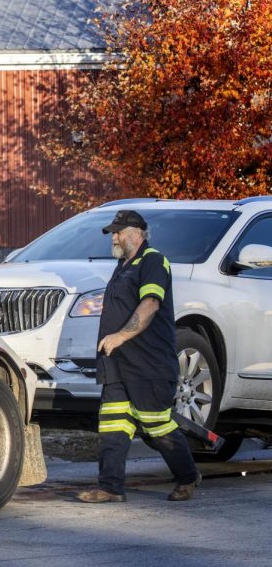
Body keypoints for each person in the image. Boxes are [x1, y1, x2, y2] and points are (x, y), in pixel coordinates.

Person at [77, 210, 201, 503]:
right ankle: (110, 487)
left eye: (119, 232)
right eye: (113, 233)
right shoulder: (123, 265)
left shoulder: (154, 261)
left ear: (137, 232)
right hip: (117, 362)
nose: (115, 237)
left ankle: (187, 476)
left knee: (156, 426)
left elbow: (150, 304)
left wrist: (120, 336)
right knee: (112, 426)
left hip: (150, 364)